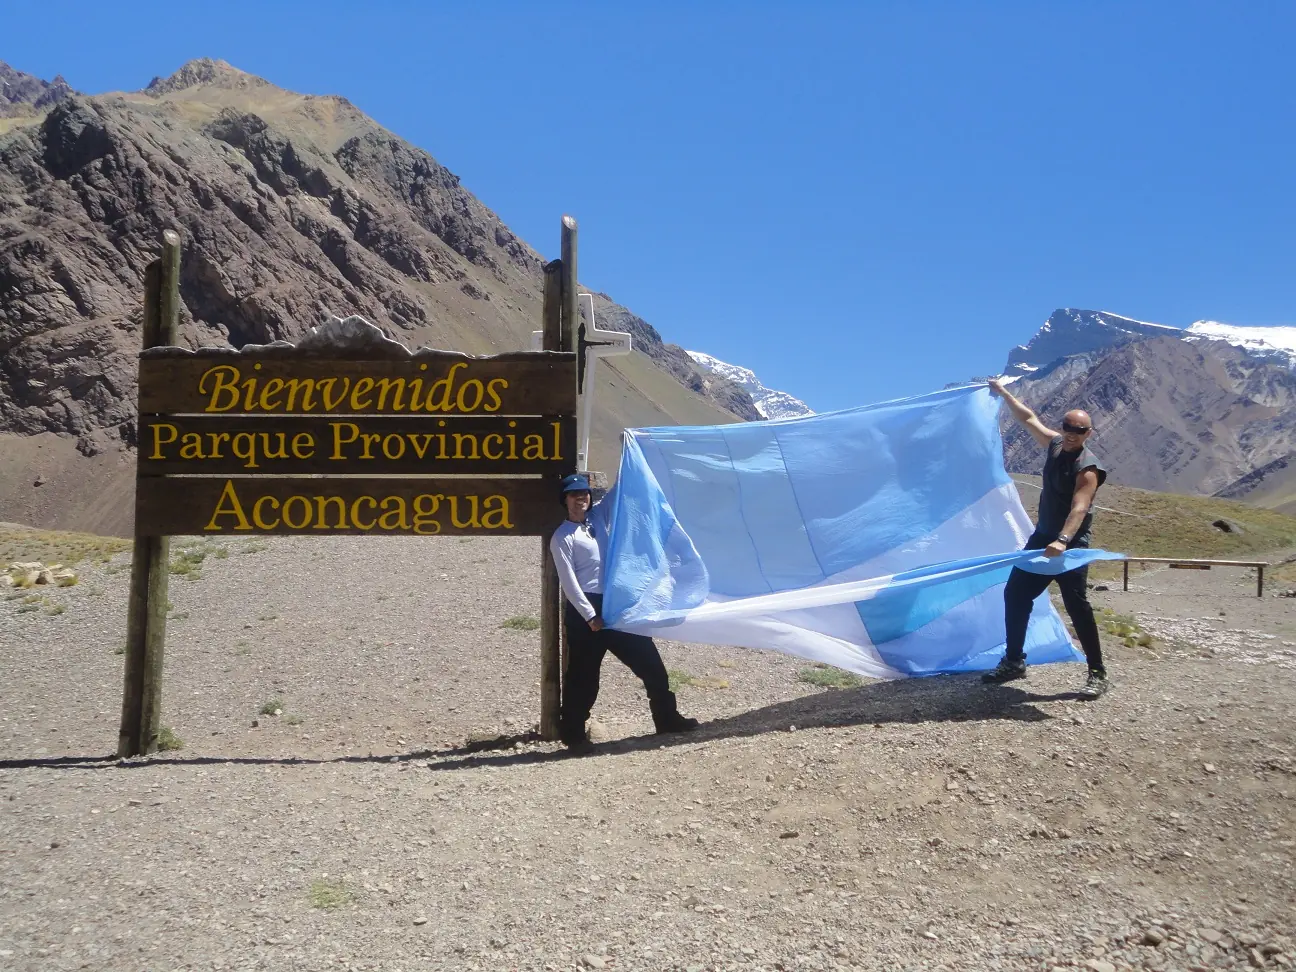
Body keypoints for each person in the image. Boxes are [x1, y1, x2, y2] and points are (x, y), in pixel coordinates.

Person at [550, 472, 700, 748]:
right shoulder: (562, 537)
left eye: (584, 494)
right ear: (565, 500)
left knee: (650, 664)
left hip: (616, 605)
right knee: (583, 677)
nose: (580, 498)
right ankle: (573, 735)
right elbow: (569, 583)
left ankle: (666, 718)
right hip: (587, 612)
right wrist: (590, 615)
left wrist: (629, 456)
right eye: (574, 495)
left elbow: (617, 493)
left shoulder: (598, 518)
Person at [983, 380, 1111, 699]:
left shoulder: (1088, 468)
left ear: (1088, 434)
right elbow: (1029, 419)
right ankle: (1014, 661)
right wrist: (1005, 394)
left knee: (1076, 605)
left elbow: (1080, 507)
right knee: (1016, 594)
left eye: (1078, 431)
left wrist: (1063, 540)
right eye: (1068, 427)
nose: (1071, 434)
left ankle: (1097, 672)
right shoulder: (1055, 445)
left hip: (1070, 547)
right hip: (1042, 539)